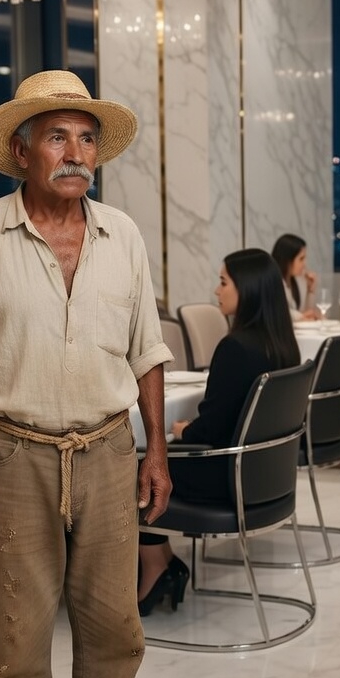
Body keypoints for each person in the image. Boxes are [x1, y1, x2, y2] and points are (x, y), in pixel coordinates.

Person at [0, 70, 173, 678]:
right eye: (57, 137)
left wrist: (156, 450)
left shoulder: (124, 236)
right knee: (15, 636)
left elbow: (147, 350)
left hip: (109, 450)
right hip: (11, 454)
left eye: (86, 138)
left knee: (115, 627)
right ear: (22, 153)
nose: (77, 153)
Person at [138, 249, 301, 609]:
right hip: (263, 477)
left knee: (136, 467)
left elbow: (211, 429)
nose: (216, 290)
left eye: (224, 282)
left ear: (249, 289)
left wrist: (184, 431)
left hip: (226, 475)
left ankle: (155, 566)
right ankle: (162, 564)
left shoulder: (235, 348)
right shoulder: (283, 345)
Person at [271, 233, 319, 321]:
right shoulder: (273, 284)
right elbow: (279, 313)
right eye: (301, 259)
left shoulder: (293, 282)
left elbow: (306, 314)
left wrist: (310, 290)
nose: (304, 264)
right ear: (287, 259)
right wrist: (301, 316)